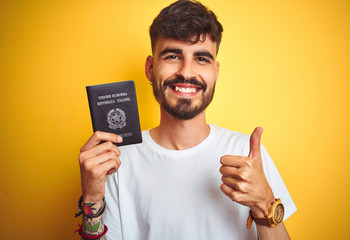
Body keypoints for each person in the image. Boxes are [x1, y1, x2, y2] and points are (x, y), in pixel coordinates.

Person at [75, 0, 296, 239]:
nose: (187, 72)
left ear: (216, 72)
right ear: (150, 68)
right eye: (172, 56)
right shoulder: (116, 159)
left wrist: (265, 203)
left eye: (201, 59)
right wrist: (91, 199)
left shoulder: (249, 155)